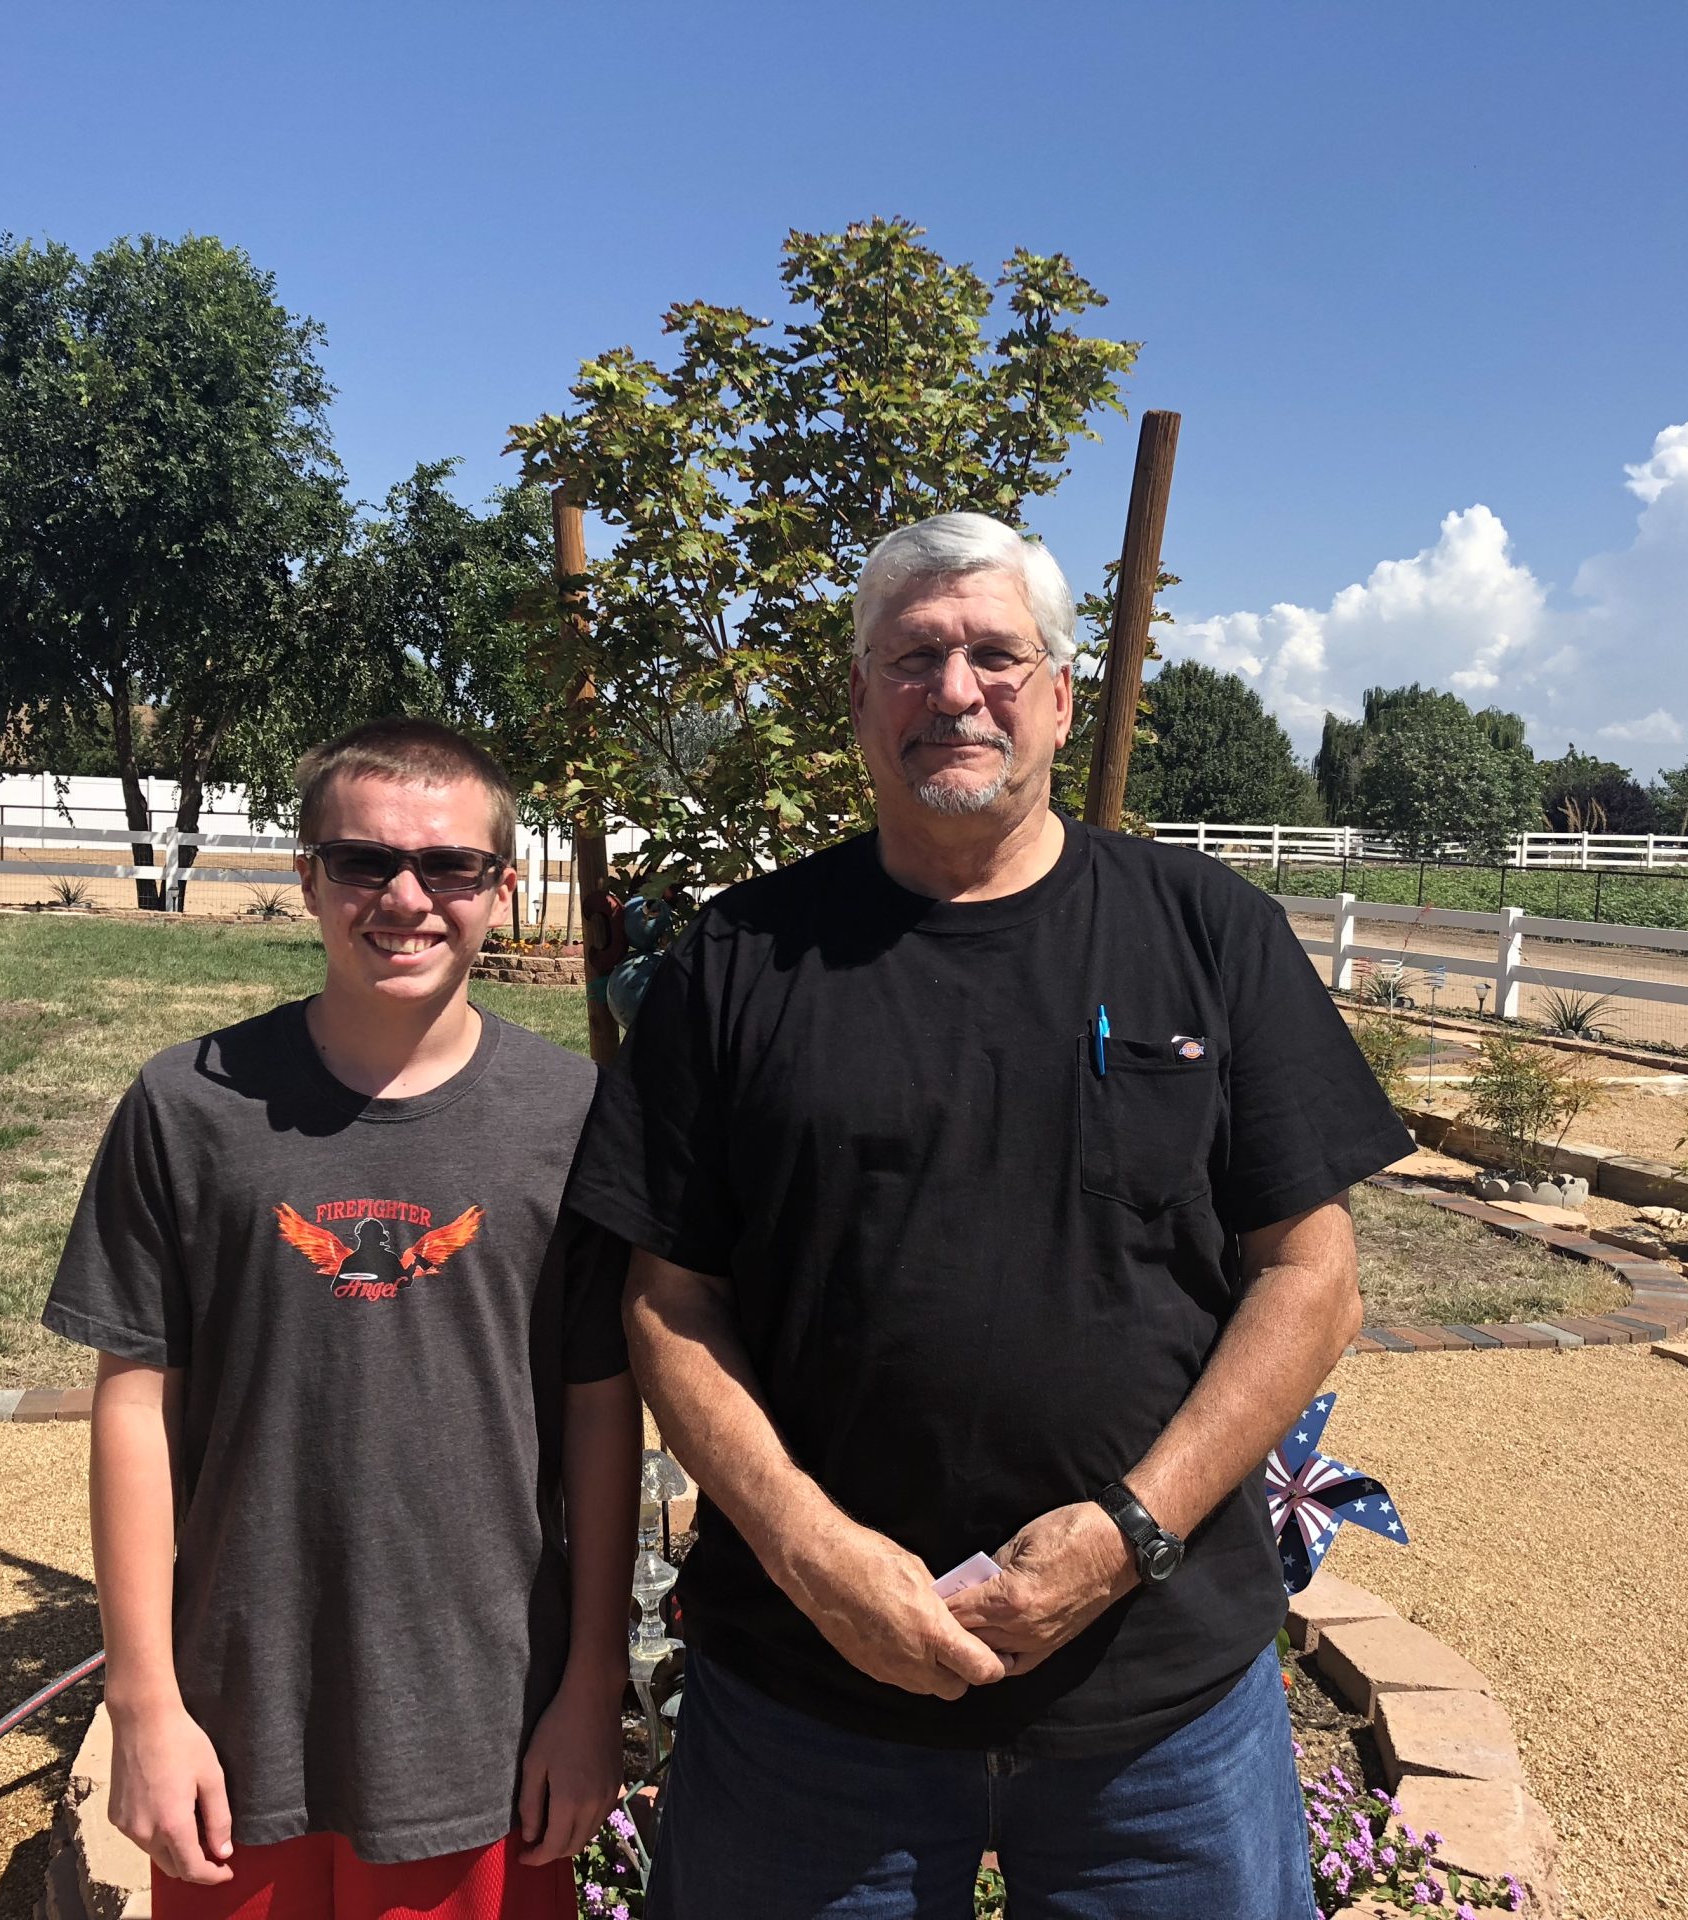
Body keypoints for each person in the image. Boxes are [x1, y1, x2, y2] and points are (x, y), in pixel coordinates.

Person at [568, 512, 1413, 1919]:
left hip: (1160, 1711)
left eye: (995, 656)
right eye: (913, 659)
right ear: (859, 700)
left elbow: (1313, 1277)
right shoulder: (741, 959)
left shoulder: (1209, 935)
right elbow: (669, 1301)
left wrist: (1129, 1534)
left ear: (1061, 697)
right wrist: (812, 1554)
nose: (955, 691)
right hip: (806, 1710)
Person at [46, 718, 638, 1920]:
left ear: (502, 888)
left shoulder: (572, 1116)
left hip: (485, 1721)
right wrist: (144, 1702)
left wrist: (590, 1690)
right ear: (309, 877)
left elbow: (599, 1414)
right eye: (364, 861)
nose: (405, 899)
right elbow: (134, 1407)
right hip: (236, 1722)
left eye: (450, 865)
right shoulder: (188, 1105)